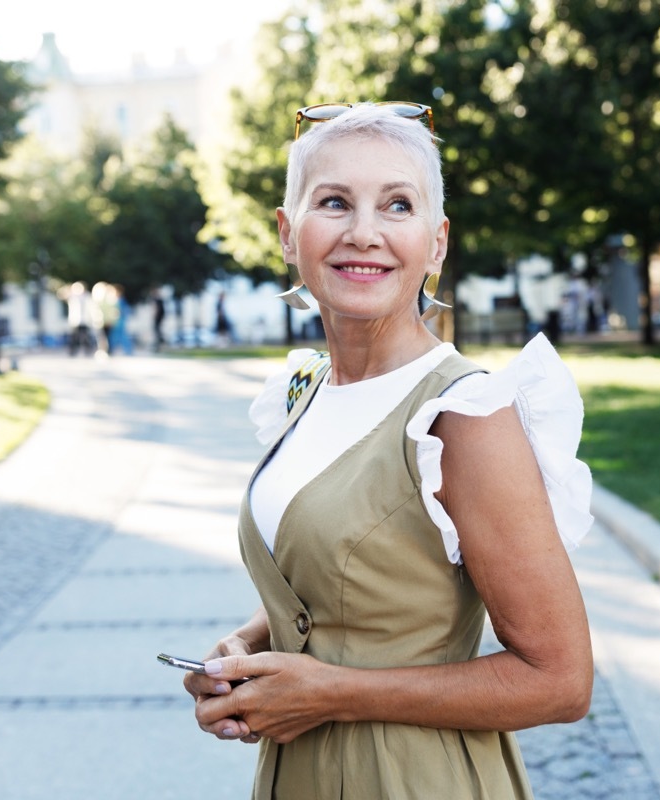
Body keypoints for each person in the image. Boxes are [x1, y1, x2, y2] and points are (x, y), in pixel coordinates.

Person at [182, 102, 594, 800]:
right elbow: (342, 587)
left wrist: (331, 693)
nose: (364, 233)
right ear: (288, 234)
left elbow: (560, 681)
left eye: (397, 205)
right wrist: (248, 649)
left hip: (416, 779)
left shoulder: (462, 415)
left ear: (436, 243)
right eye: (334, 202)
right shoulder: (304, 389)